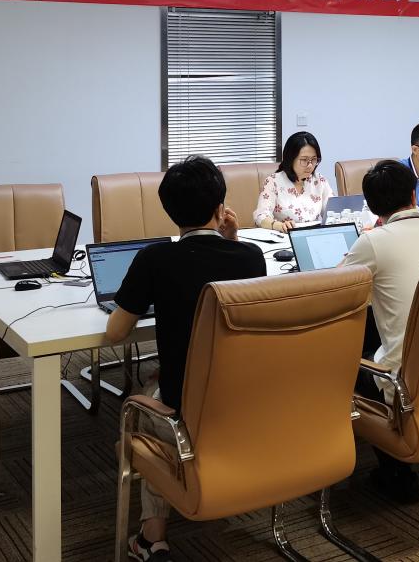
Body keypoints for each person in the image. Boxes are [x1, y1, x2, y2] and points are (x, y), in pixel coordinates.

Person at [106, 156, 266, 562]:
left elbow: (116, 333)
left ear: (170, 212)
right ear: (221, 208)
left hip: (183, 408)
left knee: (148, 394)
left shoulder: (155, 258)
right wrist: (233, 241)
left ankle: (152, 537)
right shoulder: (251, 257)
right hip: (244, 398)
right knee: (162, 380)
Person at [340, 159, 419, 503]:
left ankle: (396, 470)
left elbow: (335, 290)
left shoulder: (373, 242)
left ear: (371, 209)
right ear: (414, 196)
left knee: (347, 361)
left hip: (405, 378)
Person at [253, 131, 334, 232]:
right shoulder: (273, 182)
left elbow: (333, 212)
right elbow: (261, 216)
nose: (310, 165)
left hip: (313, 235)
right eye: (304, 160)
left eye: (314, 159)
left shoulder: (319, 181)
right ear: (290, 159)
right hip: (285, 236)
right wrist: (278, 225)